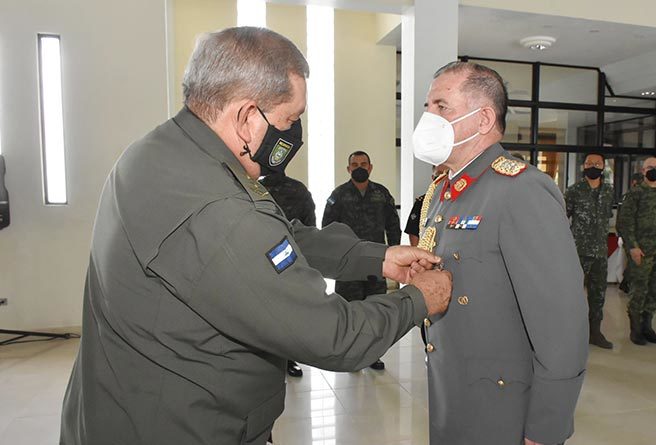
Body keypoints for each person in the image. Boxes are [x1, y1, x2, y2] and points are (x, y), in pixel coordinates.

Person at [60, 27, 453, 445]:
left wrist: (377, 257)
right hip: (184, 426)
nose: (293, 133)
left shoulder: (160, 153)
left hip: (122, 410)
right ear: (248, 118)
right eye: (290, 119)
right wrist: (418, 299)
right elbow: (333, 336)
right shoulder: (220, 208)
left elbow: (277, 235)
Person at [413, 61, 588, 445]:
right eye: (427, 107)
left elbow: (562, 322)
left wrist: (546, 426)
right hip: (453, 388)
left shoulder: (520, 190)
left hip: (502, 406)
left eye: (442, 107)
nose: (428, 118)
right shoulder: (444, 191)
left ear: (483, 119)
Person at [321, 151, 402, 370]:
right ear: (348, 169)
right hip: (348, 264)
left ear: (370, 167)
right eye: (354, 164)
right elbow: (327, 229)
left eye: (363, 164)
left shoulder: (381, 194)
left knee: (376, 309)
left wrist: (394, 251)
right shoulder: (338, 195)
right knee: (349, 310)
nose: (359, 167)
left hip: (377, 261)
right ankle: (350, 355)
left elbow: (393, 225)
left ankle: (373, 355)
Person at [617, 157, 656, 346]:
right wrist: (633, 247)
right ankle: (636, 329)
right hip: (642, 252)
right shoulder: (635, 194)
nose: (654, 170)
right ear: (643, 171)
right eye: (650, 167)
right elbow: (624, 223)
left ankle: (648, 326)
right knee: (639, 289)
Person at [258, 171, 315, 377]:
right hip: (262, 260)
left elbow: (309, 225)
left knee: (288, 312)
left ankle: (288, 359)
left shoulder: (298, 190)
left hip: (289, 260)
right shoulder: (254, 187)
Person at [564, 152, 614, 349]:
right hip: (578, 252)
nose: (593, 166)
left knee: (598, 295)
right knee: (572, 294)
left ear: (603, 166)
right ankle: (570, 334)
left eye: (597, 163)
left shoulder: (608, 191)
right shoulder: (574, 191)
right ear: (583, 166)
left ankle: (595, 332)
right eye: (589, 163)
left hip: (600, 253)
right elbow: (562, 218)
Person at [405, 165, 447, 246]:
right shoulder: (422, 202)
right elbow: (413, 231)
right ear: (432, 177)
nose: (442, 178)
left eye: (446, 175)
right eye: (438, 175)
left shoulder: (460, 200)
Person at [618, 172, 645, 294]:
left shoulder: (647, 197)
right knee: (633, 261)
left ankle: (629, 282)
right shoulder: (628, 197)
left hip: (642, 235)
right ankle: (627, 282)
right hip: (630, 235)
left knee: (636, 262)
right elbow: (622, 218)